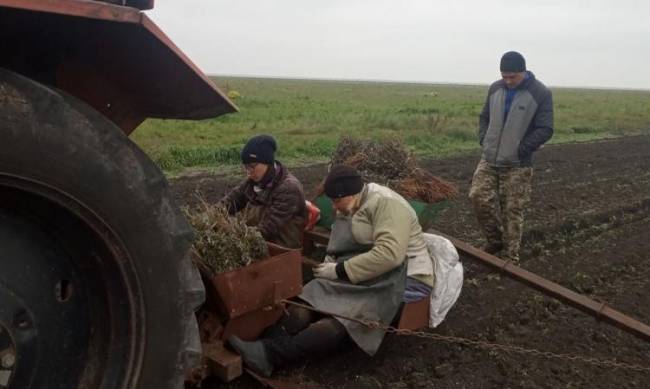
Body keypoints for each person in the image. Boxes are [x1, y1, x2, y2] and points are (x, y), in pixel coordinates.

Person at [227, 165, 438, 377]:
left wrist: (339, 270)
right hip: (369, 269)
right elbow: (346, 243)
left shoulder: (386, 204)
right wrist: (332, 259)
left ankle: (272, 356)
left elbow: (390, 254)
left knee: (344, 318)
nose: (335, 208)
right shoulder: (352, 202)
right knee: (311, 297)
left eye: (337, 201)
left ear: (352, 193)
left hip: (403, 277)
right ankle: (262, 346)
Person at [469, 51, 553, 262]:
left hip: (517, 163)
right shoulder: (495, 88)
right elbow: (484, 117)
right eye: (504, 75)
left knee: (512, 209)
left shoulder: (540, 92)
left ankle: (511, 256)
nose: (507, 80)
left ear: (523, 72)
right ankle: (495, 242)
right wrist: (484, 140)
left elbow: (545, 128)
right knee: (478, 197)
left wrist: (521, 149)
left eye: (512, 76)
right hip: (489, 158)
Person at [220, 134, 306, 249]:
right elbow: (231, 201)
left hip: (281, 249)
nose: (248, 172)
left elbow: (268, 228)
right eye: (246, 167)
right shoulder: (253, 182)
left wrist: (237, 237)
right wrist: (210, 217)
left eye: (252, 166)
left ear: (268, 162)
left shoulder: (289, 188)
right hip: (258, 243)